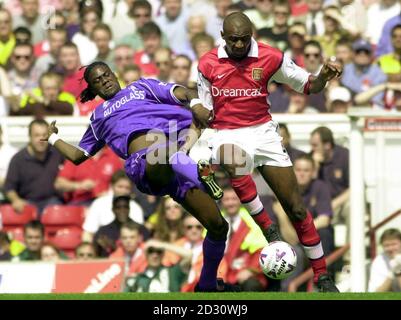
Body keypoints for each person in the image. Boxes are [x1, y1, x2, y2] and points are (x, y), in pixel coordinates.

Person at [42, 60, 234, 292]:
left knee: (218, 226)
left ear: (114, 73)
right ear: (93, 90)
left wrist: (194, 102)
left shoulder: (141, 87)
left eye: (106, 75)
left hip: (175, 165)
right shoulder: (99, 117)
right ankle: (199, 173)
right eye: (97, 81)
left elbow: (180, 92)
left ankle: (206, 284)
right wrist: (53, 138)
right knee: (160, 148)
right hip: (145, 164)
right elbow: (78, 155)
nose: (104, 80)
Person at [193, 11, 341, 292]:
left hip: (263, 133)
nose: (239, 45)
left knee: (296, 209)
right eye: (234, 40)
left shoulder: (271, 56)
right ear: (223, 37)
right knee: (230, 157)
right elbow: (205, 109)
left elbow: (309, 85)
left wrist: (324, 76)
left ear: (253, 35)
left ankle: (322, 276)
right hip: (227, 132)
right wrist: (197, 114)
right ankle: (268, 229)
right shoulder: (207, 63)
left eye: (244, 39)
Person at [4, 119, 64, 213]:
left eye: (44, 135)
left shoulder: (57, 153)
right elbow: (9, 187)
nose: (41, 139)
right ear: (29, 137)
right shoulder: (18, 159)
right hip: (27, 203)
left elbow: (74, 170)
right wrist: (16, 200)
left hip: (53, 202)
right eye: (36, 135)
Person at [82, 170, 144, 242]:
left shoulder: (136, 208)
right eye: (120, 187)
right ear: (112, 186)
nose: (123, 191)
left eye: (127, 188)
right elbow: (88, 233)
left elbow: (138, 235)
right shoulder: (99, 203)